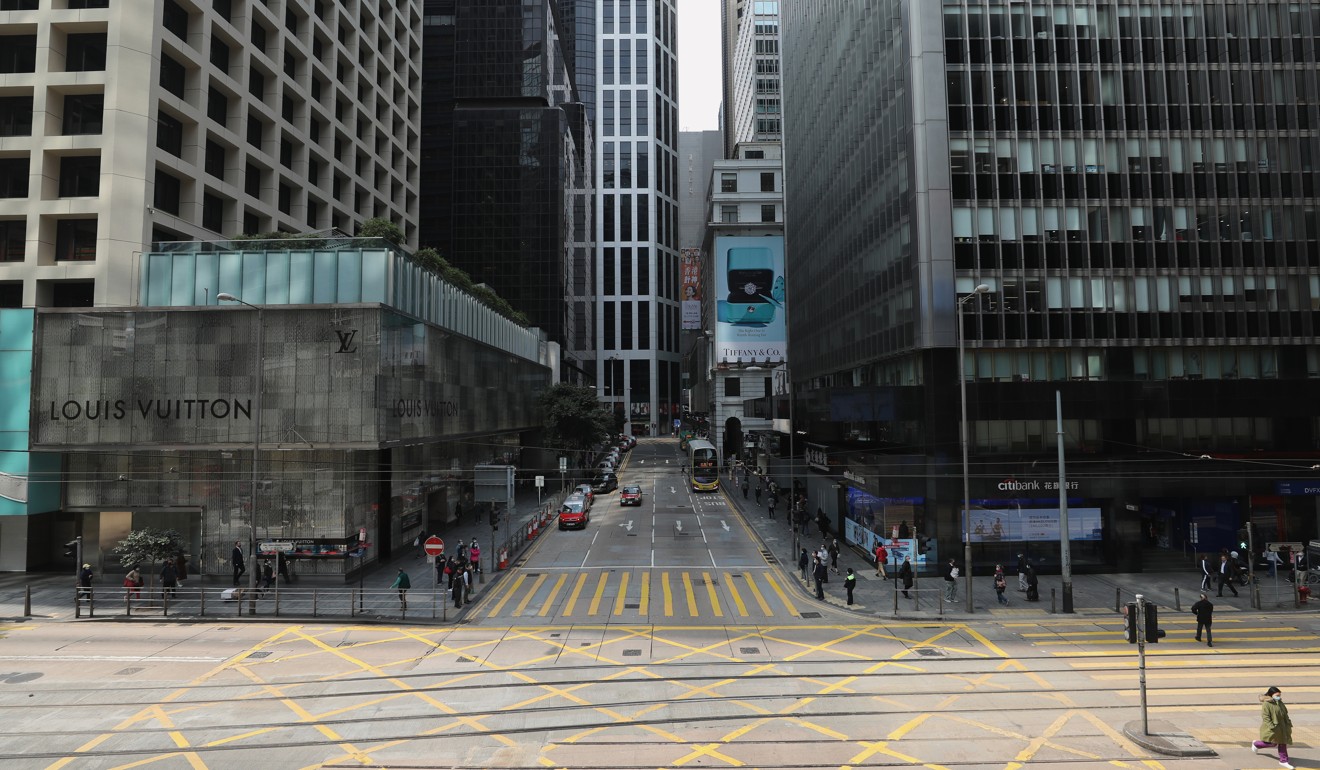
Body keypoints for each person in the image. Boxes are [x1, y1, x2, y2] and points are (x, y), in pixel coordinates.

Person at [1252, 686, 1294, 769]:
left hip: (1282, 727)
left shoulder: (1279, 702)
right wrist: (1272, 726)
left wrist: (1288, 722)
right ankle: (1256, 744)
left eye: (1279, 695)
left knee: (1282, 742)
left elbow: (1285, 713)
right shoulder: (1267, 704)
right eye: (1277, 695)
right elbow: (1266, 717)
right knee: (1272, 743)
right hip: (1272, 728)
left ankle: (1283, 760)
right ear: (1271, 695)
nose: (1279, 697)